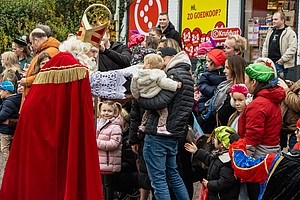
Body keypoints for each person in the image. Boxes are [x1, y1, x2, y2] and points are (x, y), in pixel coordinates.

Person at [0, 38, 103, 200]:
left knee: (39, 183)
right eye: (92, 53)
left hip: (37, 135)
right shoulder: (76, 69)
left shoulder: (51, 67)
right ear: (81, 53)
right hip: (58, 134)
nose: (93, 57)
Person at [131, 47, 194, 200]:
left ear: (169, 58)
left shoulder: (174, 75)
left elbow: (160, 102)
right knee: (173, 174)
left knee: (158, 180)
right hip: (174, 133)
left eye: (162, 59)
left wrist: (139, 99)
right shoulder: (186, 74)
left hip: (159, 135)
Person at [239, 63, 285, 200]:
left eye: (246, 79)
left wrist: (244, 165)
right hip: (271, 152)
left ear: (254, 82)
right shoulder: (271, 99)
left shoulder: (258, 105)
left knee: (256, 194)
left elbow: (252, 138)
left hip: (259, 157)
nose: (245, 83)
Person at [229, 136, 300, 200]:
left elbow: (244, 168)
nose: (295, 133)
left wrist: (237, 144)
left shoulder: (276, 161)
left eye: (298, 130)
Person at [131, 53, 181, 135]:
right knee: (164, 112)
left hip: (144, 96)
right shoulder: (158, 74)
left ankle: (143, 125)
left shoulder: (137, 74)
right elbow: (164, 83)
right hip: (154, 95)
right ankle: (161, 126)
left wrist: (136, 95)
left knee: (147, 112)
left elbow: (134, 87)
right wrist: (175, 85)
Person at [185, 126, 240, 200]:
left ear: (222, 144)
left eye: (216, 139)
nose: (213, 139)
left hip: (220, 196)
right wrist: (197, 151)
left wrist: (209, 184)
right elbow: (210, 160)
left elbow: (225, 182)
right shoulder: (220, 155)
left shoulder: (226, 162)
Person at [198, 55, 246, 134]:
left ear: (235, 70)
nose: (224, 71)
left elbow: (223, 114)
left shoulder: (238, 90)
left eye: (227, 68)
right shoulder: (224, 85)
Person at [18, 27, 60, 108]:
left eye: (31, 43)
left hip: (39, 99)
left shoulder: (50, 52)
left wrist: (27, 81)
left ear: (36, 40)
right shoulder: (43, 51)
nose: (31, 46)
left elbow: (46, 75)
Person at [96, 100, 123, 200]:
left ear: (115, 112)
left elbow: (114, 144)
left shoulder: (115, 127)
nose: (106, 113)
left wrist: (96, 143)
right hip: (100, 161)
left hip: (109, 162)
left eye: (109, 111)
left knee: (108, 186)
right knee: (101, 185)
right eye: (104, 110)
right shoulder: (98, 124)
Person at [262, 11, 297, 78]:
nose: (273, 21)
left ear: (282, 20)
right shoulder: (270, 31)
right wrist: (264, 59)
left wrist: (282, 60)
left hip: (281, 65)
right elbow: (265, 46)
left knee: (279, 85)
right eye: (273, 19)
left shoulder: (289, 33)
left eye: (276, 19)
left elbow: (292, 48)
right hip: (269, 64)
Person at [197, 49, 226, 114]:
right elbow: (202, 85)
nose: (206, 64)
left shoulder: (225, 74)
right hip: (206, 101)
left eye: (209, 61)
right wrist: (213, 91)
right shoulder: (206, 75)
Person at [0, 80, 21, 160]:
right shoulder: (16, 99)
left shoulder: (8, 102)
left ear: (6, 91)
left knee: (4, 150)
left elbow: (2, 116)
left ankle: (7, 166)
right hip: (12, 130)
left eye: (1, 91)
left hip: (6, 131)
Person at [278, 78, 300, 150]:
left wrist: (285, 89)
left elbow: (298, 104)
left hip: (295, 130)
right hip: (289, 128)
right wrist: (292, 86)